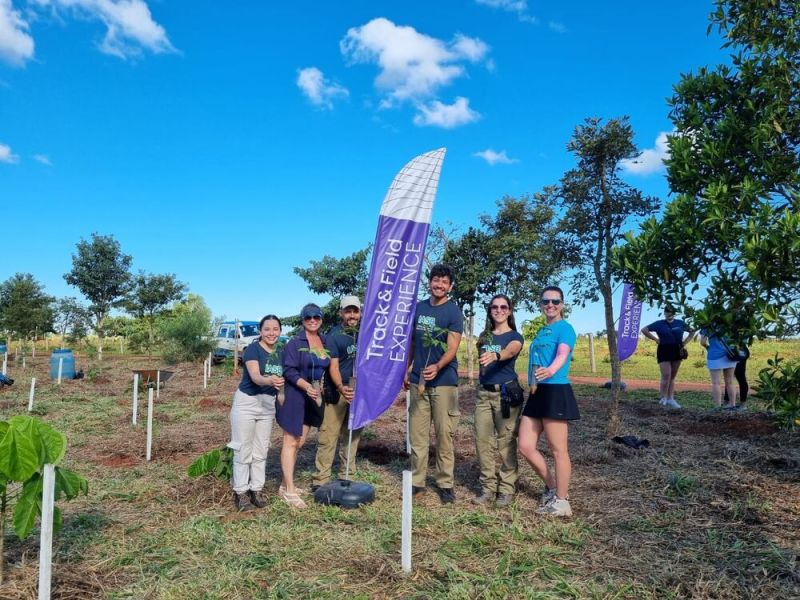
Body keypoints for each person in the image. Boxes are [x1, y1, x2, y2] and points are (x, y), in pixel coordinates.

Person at [518, 286, 579, 517]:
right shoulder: (543, 330)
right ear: (541, 304)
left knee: (558, 450)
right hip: (537, 392)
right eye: (545, 301)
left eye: (555, 301)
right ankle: (552, 487)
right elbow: (535, 361)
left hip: (555, 390)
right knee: (525, 445)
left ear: (562, 304)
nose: (550, 305)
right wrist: (534, 381)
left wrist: (551, 370)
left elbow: (563, 354)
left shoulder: (565, 328)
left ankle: (562, 502)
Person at [406, 264, 464, 504]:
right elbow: (411, 342)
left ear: (450, 286)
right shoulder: (418, 308)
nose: (439, 285)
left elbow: (452, 347)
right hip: (417, 381)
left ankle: (445, 483)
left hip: (444, 382)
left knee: (443, 435)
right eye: (435, 280)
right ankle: (417, 483)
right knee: (417, 436)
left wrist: (438, 366)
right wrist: (406, 369)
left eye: (444, 282)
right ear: (429, 282)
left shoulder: (453, 312)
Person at [473, 294, 524, 507]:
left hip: (505, 395)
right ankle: (487, 488)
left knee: (506, 442)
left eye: (504, 307)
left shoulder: (515, 337)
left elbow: (512, 349)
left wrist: (497, 355)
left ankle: (506, 489)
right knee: (482, 442)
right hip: (484, 395)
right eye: (495, 307)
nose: (499, 310)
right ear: (490, 310)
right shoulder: (485, 337)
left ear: (510, 311)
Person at [228, 315, 283, 512]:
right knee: (243, 449)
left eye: (275, 329)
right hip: (247, 403)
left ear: (280, 331)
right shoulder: (252, 349)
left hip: (267, 405)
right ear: (261, 331)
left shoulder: (280, 352)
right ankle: (241, 492)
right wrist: (270, 381)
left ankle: (256, 489)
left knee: (261, 449)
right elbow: (256, 376)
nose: (271, 333)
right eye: (267, 329)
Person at [277, 303, 330, 508]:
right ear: (302, 320)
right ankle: (289, 491)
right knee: (290, 441)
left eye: (316, 317)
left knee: (299, 442)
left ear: (321, 319)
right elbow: (289, 371)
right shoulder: (294, 343)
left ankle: (283, 484)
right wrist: (306, 386)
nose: (312, 320)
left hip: (313, 396)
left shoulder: (324, 341)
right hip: (295, 395)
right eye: (308, 318)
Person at [312, 295, 363, 489]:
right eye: (348, 311)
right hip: (338, 390)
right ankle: (321, 479)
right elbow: (333, 366)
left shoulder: (365, 334)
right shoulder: (334, 335)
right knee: (328, 435)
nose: (352, 315)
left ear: (360, 312)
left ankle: (346, 475)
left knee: (352, 434)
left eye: (355, 311)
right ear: (341, 313)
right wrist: (342, 387)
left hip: (359, 392)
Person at [641, 306, 694, 409]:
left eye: (672, 312)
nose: (670, 314)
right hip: (664, 349)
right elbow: (644, 330)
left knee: (672, 376)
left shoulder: (680, 323)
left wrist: (684, 342)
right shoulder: (659, 323)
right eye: (667, 312)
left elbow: (692, 331)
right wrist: (656, 339)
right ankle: (663, 398)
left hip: (677, 350)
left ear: (675, 313)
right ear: (664, 313)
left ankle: (671, 399)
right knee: (666, 375)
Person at [699, 329, 738, 410]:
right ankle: (732, 405)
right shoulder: (728, 321)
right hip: (730, 354)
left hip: (714, 354)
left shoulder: (707, 324)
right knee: (730, 381)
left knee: (716, 382)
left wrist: (708, 347)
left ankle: (718, 407)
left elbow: (702, 341)